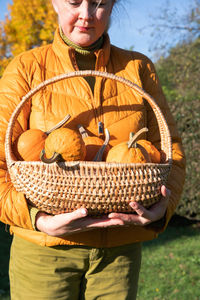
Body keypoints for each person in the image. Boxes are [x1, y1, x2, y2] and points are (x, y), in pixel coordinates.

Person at [0, 0, 186, 299]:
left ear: (113, 5)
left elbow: (171, 149)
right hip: (44, 251)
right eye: (74, 2)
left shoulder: (138, 68)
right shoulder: (26, 68)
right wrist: (38, 219)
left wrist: (164, 209)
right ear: (54, 3)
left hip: (119, 251)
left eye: (100, 4)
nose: (86, 15)